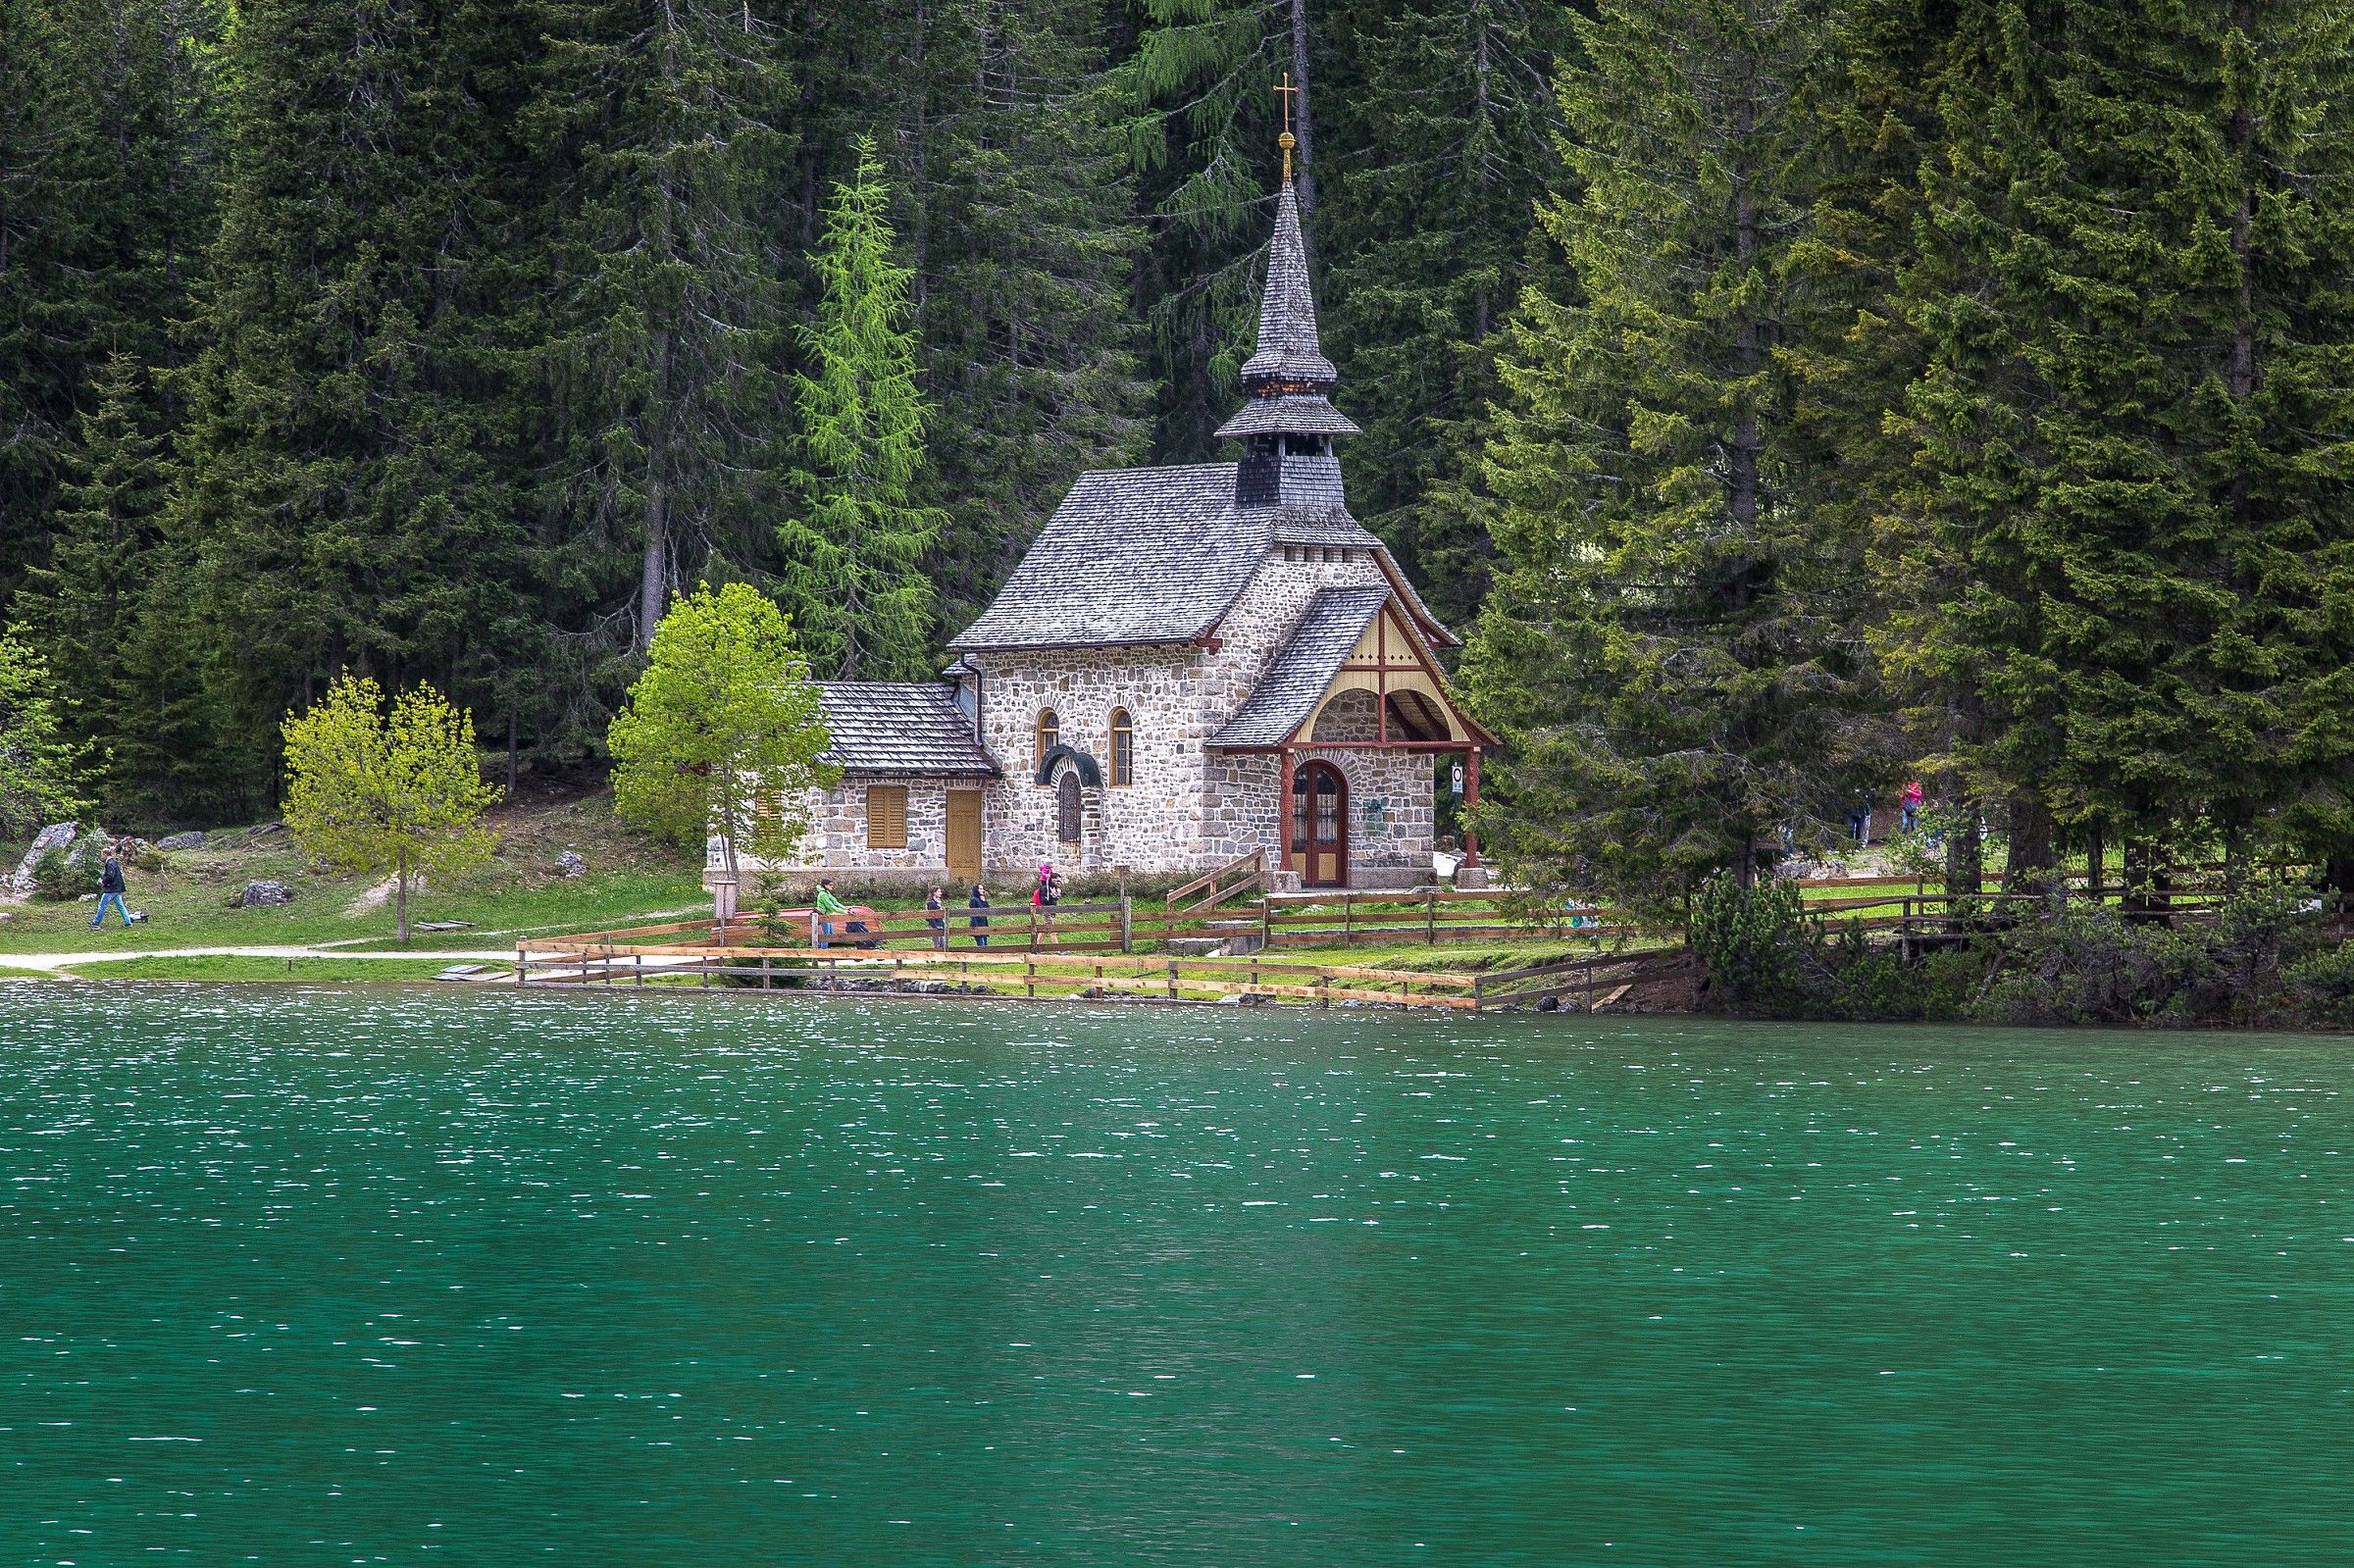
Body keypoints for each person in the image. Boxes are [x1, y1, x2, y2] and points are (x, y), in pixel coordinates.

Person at [92, 843, 130, 929]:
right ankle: (128, 922)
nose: (101, 857)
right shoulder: (114, 862)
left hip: (112, 888)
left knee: (102, 905)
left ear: (105, 854)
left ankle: (95, 923)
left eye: (102, 855)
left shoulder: (109, 863)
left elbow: (110, 876)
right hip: (117, 888)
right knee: (120, 906)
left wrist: (103, 881)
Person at [812, 877, 846, 949]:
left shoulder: (826, 893)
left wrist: (845, 908)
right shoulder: (823, 895)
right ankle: (823, 952)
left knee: (830, 933)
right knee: (826, 935)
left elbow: (835, 903)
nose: (832, 886)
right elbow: (830, 906)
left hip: (828, 916)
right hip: (824, 916)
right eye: (830, 885)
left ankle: (818, 949)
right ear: (825, 885)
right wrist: (843, 911)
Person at [967, 883, 991, 948]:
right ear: (976, 890)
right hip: (977, 925)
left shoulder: (982, 899)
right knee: (981, 945)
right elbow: (972, 914)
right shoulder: (974, 900)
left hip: (984, 925)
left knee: (986, 945)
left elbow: (987, 910)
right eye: (980, 889)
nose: (982, 890)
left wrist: (984, 901)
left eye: (982, 889)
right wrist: (976, 928)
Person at [926, 885, 947, 951]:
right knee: (936, 943)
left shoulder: (939, 902)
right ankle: (934, 958)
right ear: (934, 893)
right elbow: (931, 916)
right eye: (938, 891)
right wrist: (934, 926)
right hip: (935, 925)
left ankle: (942, 957)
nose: (941, 893)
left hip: (940, 924)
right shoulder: (931, 903)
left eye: (940, 891)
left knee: (942, 942)